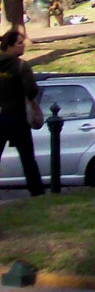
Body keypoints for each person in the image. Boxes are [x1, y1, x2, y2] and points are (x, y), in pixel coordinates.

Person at [0, 30, 44, 196]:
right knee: (27, 159)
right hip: (17, 117)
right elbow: (31, 91)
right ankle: (37, 193)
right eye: (19, 42)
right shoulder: (21, 66)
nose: (23, 44)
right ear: (9, 46)